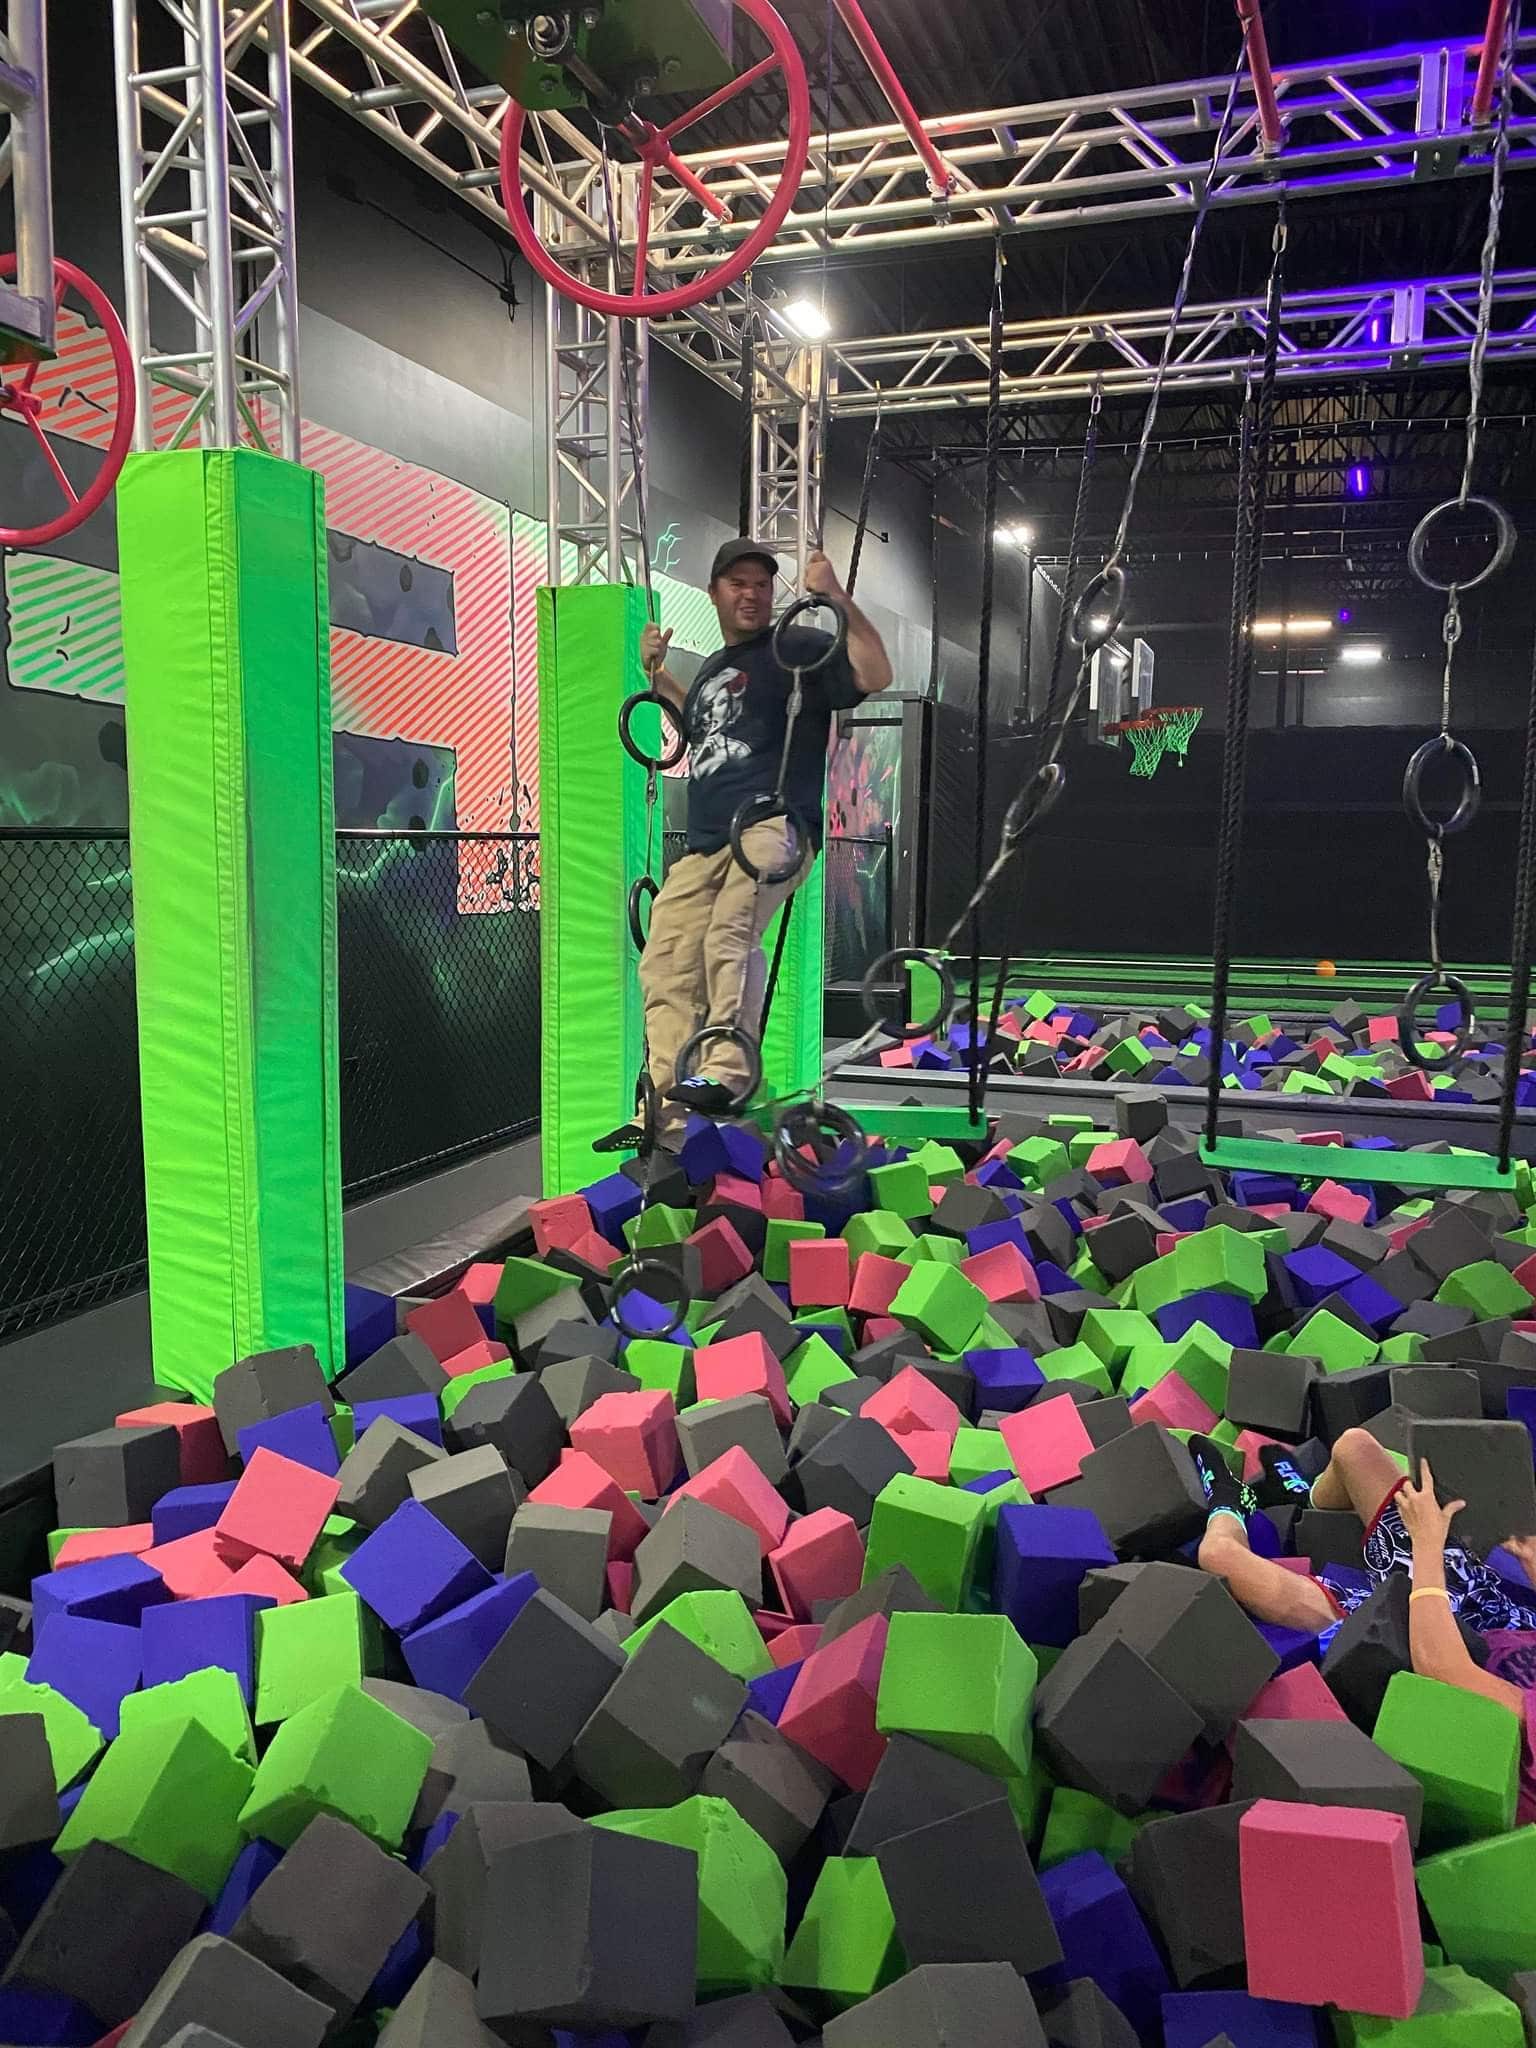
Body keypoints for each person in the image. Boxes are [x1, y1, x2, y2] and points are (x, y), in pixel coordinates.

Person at [600, 538, 892, 1152]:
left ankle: (727, 1071)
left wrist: (836, 596)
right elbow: (704, 729)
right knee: (664, 958)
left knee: (729, 930)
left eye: (762, 583)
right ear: (715, 593)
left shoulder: (797, 647)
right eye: (738, 582)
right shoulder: (712, 668)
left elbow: (875, 673)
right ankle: (663, 1115)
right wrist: (659, 676)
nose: (752, 593)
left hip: (770, 825)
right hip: (706, 841)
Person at [1189, 1429, 1536, 1813]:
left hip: (1408, 1642)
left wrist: (1427, 1546)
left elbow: (1441, 1667)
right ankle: (1301, 1503)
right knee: (1355, 1448)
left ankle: (1229, 1500)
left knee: (1219, 1556)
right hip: (1500, 1610)